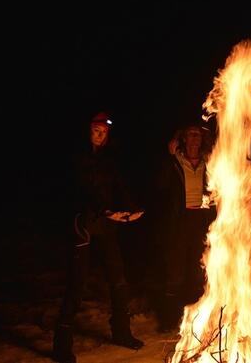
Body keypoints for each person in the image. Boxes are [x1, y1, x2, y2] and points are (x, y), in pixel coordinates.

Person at [52, 111, 145, 363]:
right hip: (82, 224)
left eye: (104, 131)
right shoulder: (74, 158)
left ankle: (122, 333)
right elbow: (76, 191)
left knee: (119, 280)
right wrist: (104, 211)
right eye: (96, 129)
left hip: (105, 225)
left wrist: (133, 208)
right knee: (77, 284)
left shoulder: (108, 161)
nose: (101, 134)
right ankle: (61, 347)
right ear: (87, 131)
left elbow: (120, 187)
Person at [155, 122, 215, 332]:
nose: (194, 139)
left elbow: (215, 190)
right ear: (184, 139)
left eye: (197, 135)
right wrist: (169, 157)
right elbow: (161, 186)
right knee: (175, 272)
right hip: (179, 220)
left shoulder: (209, 162)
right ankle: (170, 320)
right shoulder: (175, 161)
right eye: (190, 135)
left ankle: (194, 323)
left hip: (201, 220)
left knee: (198, 271)